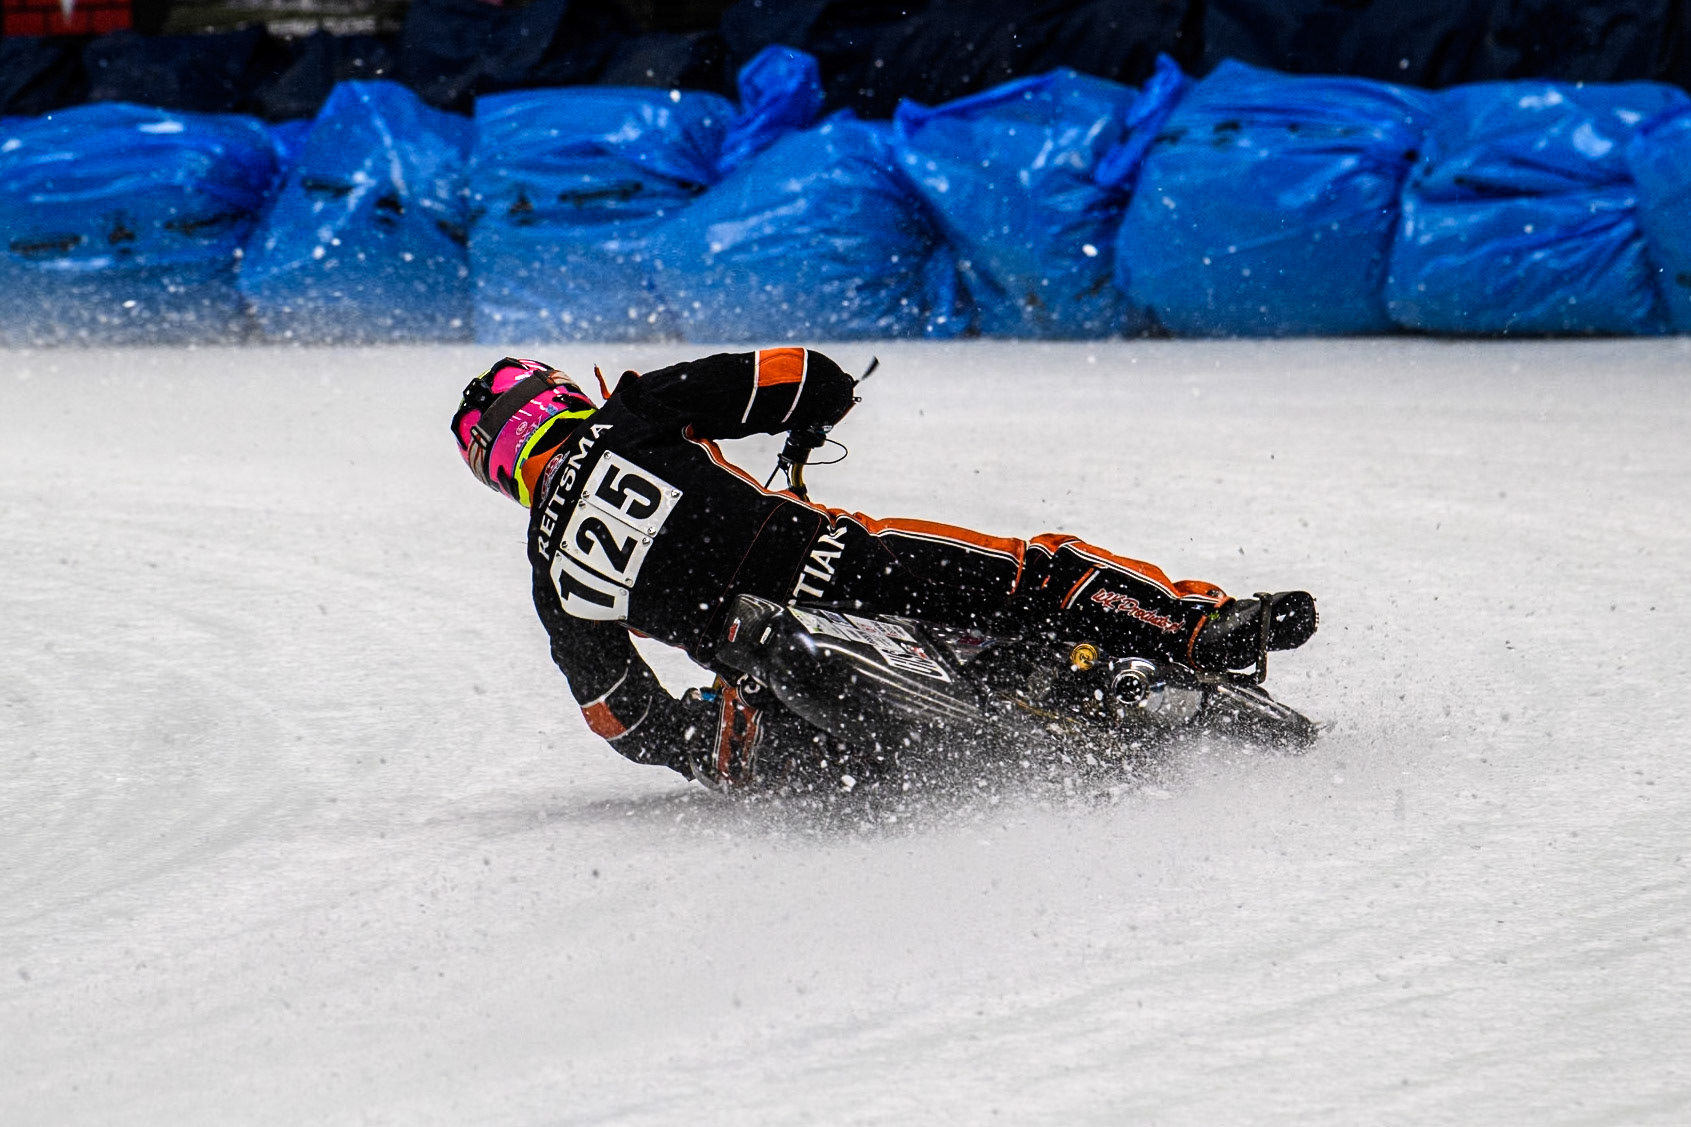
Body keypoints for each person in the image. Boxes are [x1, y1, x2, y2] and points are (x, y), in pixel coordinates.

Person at [451, 350, 1317, 789]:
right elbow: (799, 375)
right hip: (837, 566)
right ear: (557, 396)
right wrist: (814, 417)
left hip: (760, 667)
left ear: (501, 470)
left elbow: (617, 716)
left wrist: (702, 745)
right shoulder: (633, 412)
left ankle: (812, 752)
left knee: (777, 762)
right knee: (1037, 574)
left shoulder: (548, 575)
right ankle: (1200, 628)